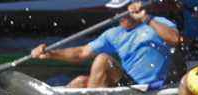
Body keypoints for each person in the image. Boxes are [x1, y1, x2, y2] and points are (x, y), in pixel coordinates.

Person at [30, 0, 180, 88]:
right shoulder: (114, 34)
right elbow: (81, 52)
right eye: (114, 11)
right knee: (80, 82)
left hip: (146, 87)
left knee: (103, 59)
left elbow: (174, 39)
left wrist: (146, 18)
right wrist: (51, 53)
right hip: (126, 85)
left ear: (134, 6)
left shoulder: (157, 23)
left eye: (121, 10)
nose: (117, 15)